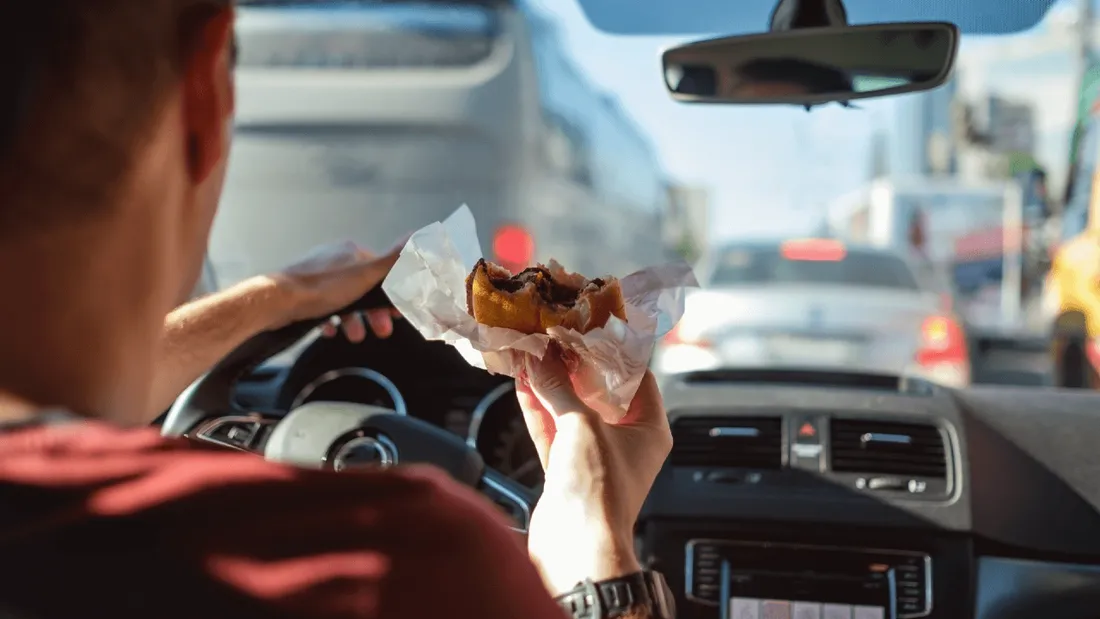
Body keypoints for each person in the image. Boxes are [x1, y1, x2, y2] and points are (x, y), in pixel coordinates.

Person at [0, 1, 674, 618]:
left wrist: (277, 298)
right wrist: (600, 554)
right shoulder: (393, 564)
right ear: (207, 94)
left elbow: (62, 411)